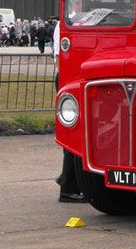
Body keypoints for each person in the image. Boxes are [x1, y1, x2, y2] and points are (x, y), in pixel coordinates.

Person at [52, 20, 86, 203]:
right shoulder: (65, 23)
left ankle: (67, 178)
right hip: (70, 77)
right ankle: (69, 186)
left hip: (74, 76)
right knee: (74, 133)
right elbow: (60, 56)